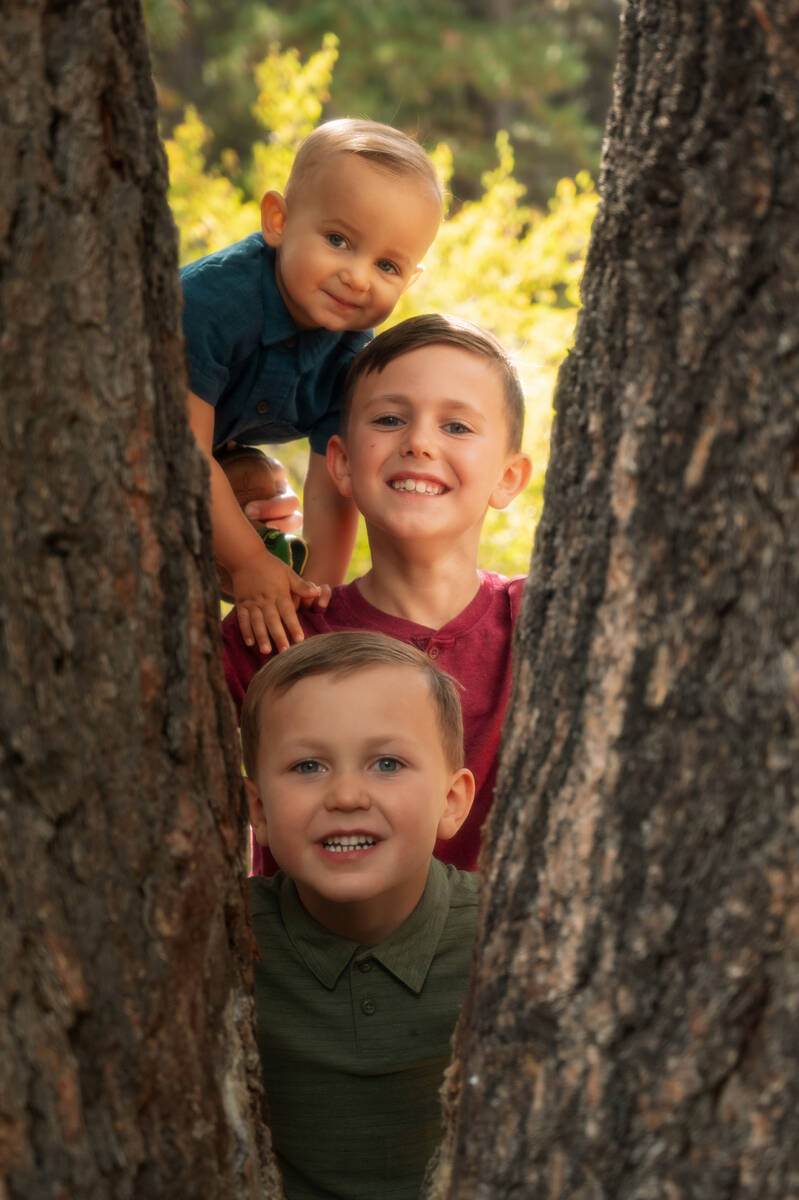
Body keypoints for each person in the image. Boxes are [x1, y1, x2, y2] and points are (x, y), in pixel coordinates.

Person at [224, 314, 533, 872]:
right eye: (390, 419)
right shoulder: (280, 629)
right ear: (342, 464)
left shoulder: (540, 622)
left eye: (457, 426)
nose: (419, 443)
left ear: (508, 478)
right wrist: (226, 548)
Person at [181, 118, 443, 656]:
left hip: (212, 449)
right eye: (338, 240)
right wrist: (249, 562)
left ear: (410, 279)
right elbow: (180, 450)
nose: (358, 277)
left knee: (257, 490)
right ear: (278, 221)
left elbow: (331, 487)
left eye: (387, 265)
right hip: (125, 434)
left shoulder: (354, 355)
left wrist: (317, 603)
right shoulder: (214, 304)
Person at [241, 631, 479, 1200]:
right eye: (308, 766)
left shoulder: (505, 937)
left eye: (387, 763)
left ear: (451, 802)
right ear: (259, 811)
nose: (346, 796)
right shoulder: (225, 939)